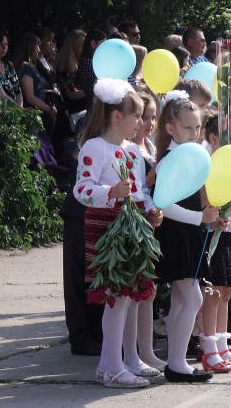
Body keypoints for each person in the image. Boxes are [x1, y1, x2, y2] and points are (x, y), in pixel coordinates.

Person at [74, 78, 162, 388]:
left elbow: (139, 189)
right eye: (137, 116)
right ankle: (112, 366)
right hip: (105, 227)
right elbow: (82, 190)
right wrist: (111, 191)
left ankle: (119, 361)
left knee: (129, 296)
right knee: (115, 296)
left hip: (131, 226)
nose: (141, 122)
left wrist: (150, 209)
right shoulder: (95, 147)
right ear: (117, 116)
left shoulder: (133, 152)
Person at [153, 90, 216, 383]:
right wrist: (198, 217)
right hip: (176, 233)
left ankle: (176, 360)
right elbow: (164, 203)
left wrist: (210, 213)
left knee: (182, 299)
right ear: (170, 128)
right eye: (188, 127)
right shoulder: (169, 159)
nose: (195, 132)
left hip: (191, 233)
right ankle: (177, 362)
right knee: (192, 298)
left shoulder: (192, 156)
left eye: (198, 127)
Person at [198, 113, 231, 373]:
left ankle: (221, 343)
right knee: (214, 291)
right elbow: (206, 200)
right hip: (214, 232)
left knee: (227, 291)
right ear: (214, 138)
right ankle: (208, 347)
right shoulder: (209, 163)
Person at [15, 33, 57, 133]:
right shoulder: (27, 67)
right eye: (37, 46)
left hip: (41, 113)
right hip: (35, 115)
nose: (39, 49)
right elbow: (30, 97)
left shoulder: (33, 67)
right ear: (30, 48)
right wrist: (49, 109)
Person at [76, 29, 107, 111]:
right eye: (103, 45)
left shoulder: (91, 62)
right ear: (93, 44)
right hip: (94, 106)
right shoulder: (89, 63)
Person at [0, 30, 23, 106]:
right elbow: (2, 96)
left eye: (6, 44)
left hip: (16, 112)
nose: (4, 47)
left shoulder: (9, 65)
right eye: (0, 44)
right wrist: (20, 110)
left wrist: (20, 111)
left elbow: (18, 91)